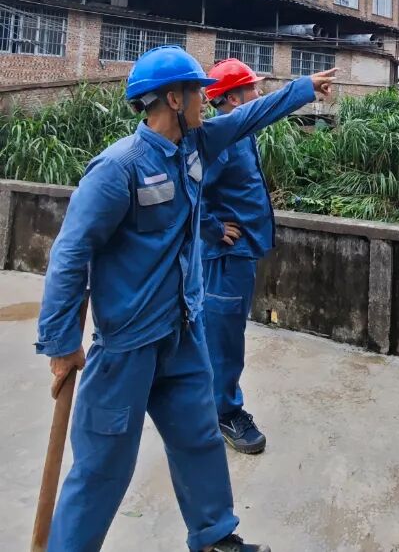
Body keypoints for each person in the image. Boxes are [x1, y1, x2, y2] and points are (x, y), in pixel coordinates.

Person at [35, 46, 335, 552]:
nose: (207, 100)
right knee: (104, 467)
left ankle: (215, 537)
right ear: (174, 99)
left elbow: (250, 117)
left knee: (198, 439)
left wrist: (303, 90)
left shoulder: (196, 146)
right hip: (128, 342)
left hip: (182, 331)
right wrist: (62, 343)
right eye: (199, 92)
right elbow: (69, 255)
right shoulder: (118, 169)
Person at [200, 58, 278, 454]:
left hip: (241, 254)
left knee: (223, 332)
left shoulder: (240, 133)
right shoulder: (222, 140)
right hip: (225, 259)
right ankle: (226, 413)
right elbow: (189, 192)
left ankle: (210, 402)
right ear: (232, 97)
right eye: (252, 89)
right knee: (224, 338)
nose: (258, 93)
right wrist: (213, 229)